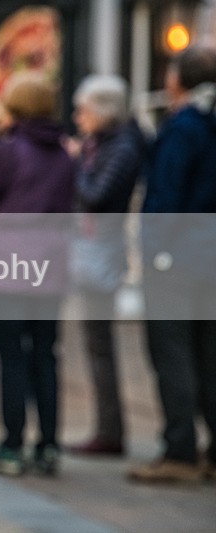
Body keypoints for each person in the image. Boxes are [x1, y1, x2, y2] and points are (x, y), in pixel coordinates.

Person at [0, 72, 75, 476]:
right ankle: (50, 445)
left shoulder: (6, 151)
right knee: (45, 354)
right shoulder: (64, 153)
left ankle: (12, 445)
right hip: (51, 266)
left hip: (9, 266)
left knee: (11, 357)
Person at [128, 45, 216, 484]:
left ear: (181, 78)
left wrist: (154, 251)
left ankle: (180, 451)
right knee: (208, 353)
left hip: (178, 257)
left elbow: (165, 196)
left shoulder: (183, 127)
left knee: (173, 353)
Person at [63, 74, 145, 457]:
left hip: (103, 258)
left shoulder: (122, 147)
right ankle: (107, 429)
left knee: (100, 347)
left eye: (83, 111)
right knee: (96, 346)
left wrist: (76, 161)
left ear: (103, 110)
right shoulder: (108, 143)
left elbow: (96, 196)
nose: (77, 118)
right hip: (96, 252)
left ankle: (110, 432)